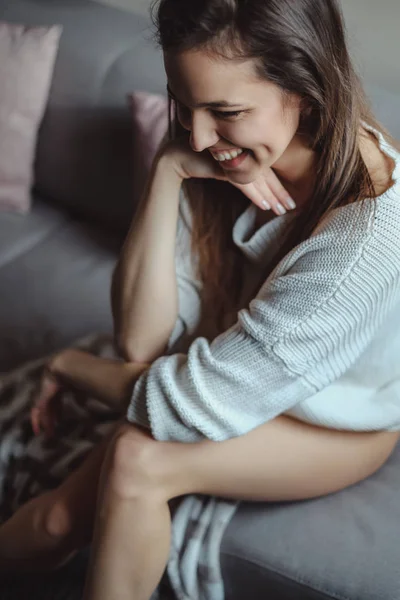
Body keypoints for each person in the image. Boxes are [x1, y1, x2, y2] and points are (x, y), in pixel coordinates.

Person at [0, 0, 400, 598]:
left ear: (308, 92)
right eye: (183, 106)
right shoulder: (211, 150)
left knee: (136, 459)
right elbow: (142, 340)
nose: (201, 135)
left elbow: (190, 401)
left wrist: (72, 366)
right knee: (55, 521)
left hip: (334, 424)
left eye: (226, 111)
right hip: (227, 375)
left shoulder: (364, 242)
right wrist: (166, 172)